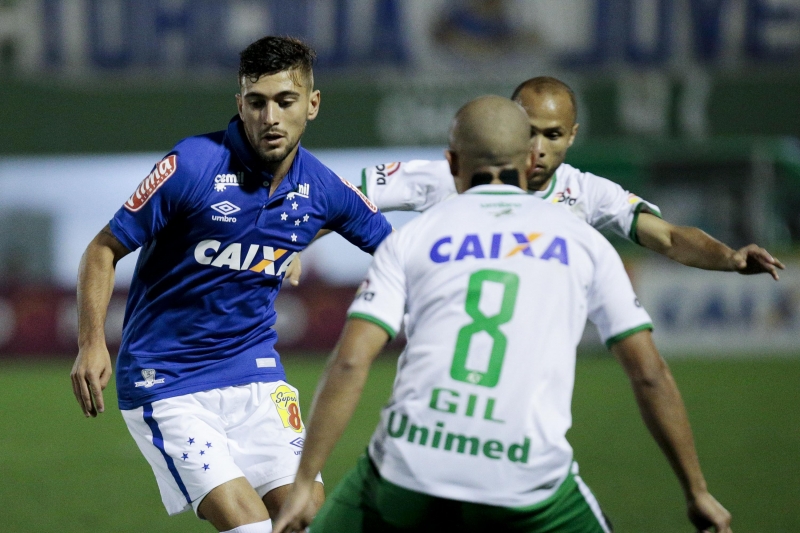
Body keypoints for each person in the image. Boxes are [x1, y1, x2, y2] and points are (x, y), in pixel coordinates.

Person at [273, 96, 732, 533]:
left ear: (452, 163)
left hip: (411, 468)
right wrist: (697, 491)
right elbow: (649, 373)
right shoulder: (583, 241)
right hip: (528, 481)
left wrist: (302, 484)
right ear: (530, 160)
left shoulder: (411, 239)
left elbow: (351, 361)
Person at [69, 36, 392, 533]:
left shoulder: (322, 187)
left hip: (257, 377)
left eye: (285, 101)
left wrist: (296, 243)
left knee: (307, 519)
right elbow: (102, 249)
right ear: (239, 103)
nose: (270, 117)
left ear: (312, 104)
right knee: (253, 528)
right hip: (168, 381)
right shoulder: (192, 166)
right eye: (257, 102)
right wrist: (91, 343)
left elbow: (398, 253)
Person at [353, 76, 783, 281]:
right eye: (528, 129)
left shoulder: (587, 193)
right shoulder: (455, 175)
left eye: (553, 135)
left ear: (572, 136)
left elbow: (668, 237)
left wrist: (729, 258)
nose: (537, 146)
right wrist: (296, 243)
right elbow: (348, 195)